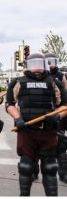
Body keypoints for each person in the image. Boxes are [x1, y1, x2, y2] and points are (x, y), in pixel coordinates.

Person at [6, 53, 67, 196]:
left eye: (40, 64)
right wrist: (17, 118)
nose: (37, 67)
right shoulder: (18, 82)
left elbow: (64, 105)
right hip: (27, 131)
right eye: (34, 64)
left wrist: (57, 116)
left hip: (48, 132)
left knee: (50, 168)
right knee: (26, 167)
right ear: (27, 66)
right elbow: (9, 104)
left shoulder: (54, 82)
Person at [32, 53, 67, 183]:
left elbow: (65, 96)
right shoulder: (35, 76)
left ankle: (63, 173)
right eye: (49, 62)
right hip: (36, 115)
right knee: (33, 147)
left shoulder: (60, 76)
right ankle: (33, 172)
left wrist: (59, 115)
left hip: (56, 115)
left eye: (54, 61)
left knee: (60, 145)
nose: (52, 64)